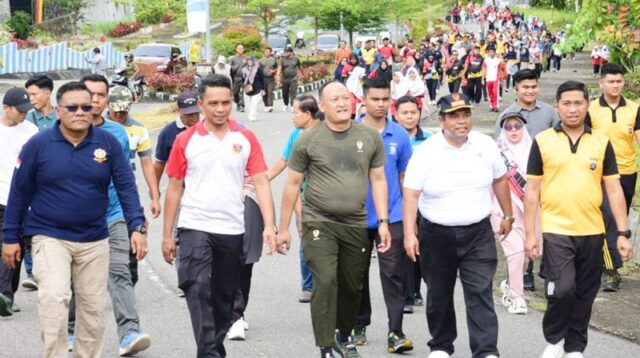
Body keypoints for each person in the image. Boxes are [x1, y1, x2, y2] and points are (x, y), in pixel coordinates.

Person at [2, 82, 147, 358]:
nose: (80, 112)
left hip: (95, 238)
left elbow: (127, 186)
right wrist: (10, 237)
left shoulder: (107, 143)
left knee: (92, 311)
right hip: (49, 236)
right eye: (72, 107)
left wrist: (136, 226)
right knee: (54, 300)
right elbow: (18, 192)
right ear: (58, 111)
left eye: (86, 107)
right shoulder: (37, 145)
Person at [161, 74, 276, 357]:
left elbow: (260, 181)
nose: (220, 109)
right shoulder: (186, 140)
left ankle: (211, 348)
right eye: (213, 103)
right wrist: (167, 235)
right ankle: (210, 353)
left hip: (232, 228)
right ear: (201, 104)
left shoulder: (245, 137)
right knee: (197, 288)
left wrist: (270, 226)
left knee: (225, 299)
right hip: (194, 225)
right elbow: (174, 188)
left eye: (226, 102)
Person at [276, 81, 390, 358]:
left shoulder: (369, 136)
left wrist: (384, 222)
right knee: (325, 281)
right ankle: (325, 346)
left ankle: (343, 335)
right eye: (334, 100)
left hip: (355, 223)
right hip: (319, 221)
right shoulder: (308, 139)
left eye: (345, 98)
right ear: (323, 107)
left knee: (353, 285)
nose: (341, 104)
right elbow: (292, 184)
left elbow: (378, 179)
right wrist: (283, 229)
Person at [524, 81, 634, 358]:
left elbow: (613, 188)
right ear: (557, 106)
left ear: (587, 105)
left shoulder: (601, 142)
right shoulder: (543, 141)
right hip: (555, 228)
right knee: (562, 288)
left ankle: (575, 348)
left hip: (593, 229)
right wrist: (529, 233)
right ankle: (554, 339)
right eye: (566, 103)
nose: (573, 109)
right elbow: (532, 190)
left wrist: (622, 232)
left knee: (586, 291)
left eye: (578, 103)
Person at [403, 93, 513, 358]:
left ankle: (486, 350)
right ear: (441, 120)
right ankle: (441, 345)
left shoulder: (485, 145)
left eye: (465, 115)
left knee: (480, 292)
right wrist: (409, 233)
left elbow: (500, 180)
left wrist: (508, 215)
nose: (461, 121)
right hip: (436, 233)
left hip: (478, 232)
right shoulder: (427, 151)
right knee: (439, 293)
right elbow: (411, 193)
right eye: (454, 116)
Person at [72, 75, 152, 356]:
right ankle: (71, 328)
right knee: (75, 279)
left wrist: (137, 223)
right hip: (72, 219)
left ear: (107, 100)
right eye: (89, 94)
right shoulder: (57, 134)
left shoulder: (117, 133)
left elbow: (125, 182)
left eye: (101, 95)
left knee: (119, 271)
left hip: (112, 214)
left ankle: (129, 331)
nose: (94, 100)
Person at [352, 78, 414, 353]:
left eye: (385, 99)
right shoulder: (350, 132)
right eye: (375, 99)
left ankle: (396, 332)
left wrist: (411, 221)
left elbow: (405, 179)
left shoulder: (399, 135)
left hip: (393, 214)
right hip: (356, 216)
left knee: (393, 272)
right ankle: (359, 324)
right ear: (363, 100)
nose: (380, 104)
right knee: (357, 273)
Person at [586, 63, 640, 292]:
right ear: (602, 83)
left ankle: (604, 263)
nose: (615, 85)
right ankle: (611, 271)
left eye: (619, 81)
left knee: (620, 221)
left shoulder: (635, 109)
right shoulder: (591, 110)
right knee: (607, 219)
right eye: (611, 81)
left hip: (627, 173)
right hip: (600, 174)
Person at [265, 95, 322, 304]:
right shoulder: (295, 135)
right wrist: (262, 181)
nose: (292, 117)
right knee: (306, 241)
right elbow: (283, 162)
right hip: (304, 196)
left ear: (307, 114)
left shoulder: (326, 133)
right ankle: (308, 286)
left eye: (295, 112)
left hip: (325, 200)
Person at [491, 112, 539, 315]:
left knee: (527, 254)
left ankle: (511, 283)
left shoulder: (534, 151)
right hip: (503, 211)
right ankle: (517, 297)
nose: (513, 131)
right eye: (508, 127)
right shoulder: (496, 152)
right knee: (516, 251)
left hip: (530, 211)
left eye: (517, 126)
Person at [0, 88, 38, 316]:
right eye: (20, 110)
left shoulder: (31, 131)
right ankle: (4, 294)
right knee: (4, 244)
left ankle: (8, 294)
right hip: (0, 197)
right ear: (6, 108)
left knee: (17, 248)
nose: (24, 114)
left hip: (23, 199)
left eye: (27, 110)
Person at [394, 95, 432, 312]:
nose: (409, 117)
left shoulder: (429, 139)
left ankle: (417, 289)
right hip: (399, 202)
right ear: (396, 114)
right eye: (404, 113)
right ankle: (407, 294)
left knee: (423, 247)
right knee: (404, 247)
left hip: (426, 202)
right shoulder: (391, 138)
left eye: (413, 112)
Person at [21, 74, 58, 290]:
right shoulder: (26, 120)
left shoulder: (61, 118)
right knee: (30, 225)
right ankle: (33, 272)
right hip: (32, 182)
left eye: (34, 94)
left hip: (58, 181)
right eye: (29, 95)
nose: (31, 99)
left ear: (48, 93)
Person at [105, 85, 161, 220]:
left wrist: (155, 196)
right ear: (108, 105)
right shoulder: (98, 126)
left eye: (123, 111)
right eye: (115, 111)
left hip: (126, 189)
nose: (119, 115)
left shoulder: (139, 129)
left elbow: (147, 163)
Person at [495, 69, 560, 148]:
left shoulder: (550, 112)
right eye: (526, 87)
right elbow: (500, 147)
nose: (530, 91)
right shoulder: (505, 117)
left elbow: (560, 139)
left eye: (534, 87)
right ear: (515, 89)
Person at [154, 92, 202, 182]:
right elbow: (160, 162)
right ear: (178, 110)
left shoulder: (208, 127)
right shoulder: (167, 132)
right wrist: (154, 188)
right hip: (179, 186)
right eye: (189, 114)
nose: (194, 116)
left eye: (196, 112)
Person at [242, 57, 265, 122]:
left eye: (251, 61)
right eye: (249, 61)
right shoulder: (244, 69)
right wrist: (244, 86)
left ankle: (253, 116)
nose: (250, 62)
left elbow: (262, 79)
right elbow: (243, 79)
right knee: (248, 103)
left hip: (257, 88)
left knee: (254, 103)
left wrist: (263, 89)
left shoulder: (258, 69)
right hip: (247, 88)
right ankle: (250, 115)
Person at [482, 46, 504, 112]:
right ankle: (492, 106)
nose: (491, 53)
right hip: (488, 78)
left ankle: (496, 106)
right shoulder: (486, 60)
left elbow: (500, 71)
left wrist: (502, 80)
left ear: (494, 53)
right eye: (489, 52)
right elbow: (484, 70)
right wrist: (483, 79)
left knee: (495, 92)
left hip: (496, 78)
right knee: (490, 93)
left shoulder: (498, 61)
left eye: (492, 52)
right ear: (488, 53)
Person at [279, 47, 301, 112]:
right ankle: (286, 104)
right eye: (286, 52)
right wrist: (278, 75)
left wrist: (302, 74)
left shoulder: (296, 59)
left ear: (291, 52)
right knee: (285, 92)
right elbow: (279, 68)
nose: (286, 53)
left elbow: (300, 67)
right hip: (285, 79)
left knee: (293, 92)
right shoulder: (282, 59)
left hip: (294, 78)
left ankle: (292, 105)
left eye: (288, 52)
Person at [259, 47, 278, 112]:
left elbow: (277, 67)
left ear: (270, 52)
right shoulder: (260, 60)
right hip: (263, 79)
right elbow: (258, 70)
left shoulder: (273, 60)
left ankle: (270, 106)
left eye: (268, 52)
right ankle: (266, 105)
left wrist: (273, 71)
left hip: (271, 78)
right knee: (264, 93)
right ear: (264, 52)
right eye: (266, 51)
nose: (267, 53)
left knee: (270, 92)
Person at [230, 44, 247, 112]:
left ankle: (242, 105)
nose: (240, 50)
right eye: (239, 49)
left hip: (244, 78)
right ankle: (237, 103)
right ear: (236, 50)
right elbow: (230, 68)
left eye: (242, 48)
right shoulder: (233, 58)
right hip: (235, 78)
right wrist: (235, 67)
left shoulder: (246, 58)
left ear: (243, 49)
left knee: (242, 92)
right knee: (235, 92)